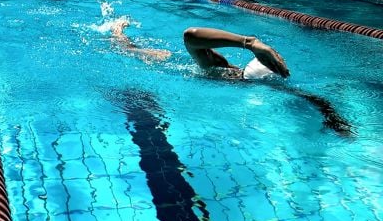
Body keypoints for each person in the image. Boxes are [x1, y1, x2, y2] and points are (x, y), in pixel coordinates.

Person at [108, 23, 351, 132]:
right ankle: (116, 30)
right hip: (169, 62)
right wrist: (250, 43)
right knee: (131, 51)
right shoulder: (220, 70)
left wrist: (332, 118)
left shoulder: (263, 83)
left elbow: (311, 97)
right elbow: (190, 35)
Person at [182, 26, 289, 80]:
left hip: (253, 76)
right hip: (267, 71)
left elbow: (190, 35)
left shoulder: (213, 69)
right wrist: (247, 43)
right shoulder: (220, 66)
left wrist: (249, 43)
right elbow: (190, 36)